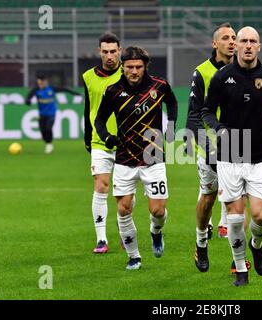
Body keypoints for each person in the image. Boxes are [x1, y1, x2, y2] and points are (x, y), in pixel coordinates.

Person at [201, 26, 262, 286]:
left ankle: (257, 244)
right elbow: (207, 111)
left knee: (260, 217)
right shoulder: (221, 77)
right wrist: (218, 129)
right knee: (235, 216)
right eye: (243, 41)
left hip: (261, 155)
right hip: (229, 155)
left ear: (259, 47)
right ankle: (240, 268)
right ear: (237, 45)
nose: (248, 45)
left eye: (253, 41)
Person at [94, 46, 178, 270]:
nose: (134, 71)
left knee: (157, 211)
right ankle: (134, 257)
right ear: (123, 66)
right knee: (123, 209)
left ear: (145, 67)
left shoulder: (159, 85)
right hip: (123, 159)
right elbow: (99, 120)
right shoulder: (113, 91)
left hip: (153, 158)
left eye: (138, 67)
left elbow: (173, 102)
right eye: (129, 67)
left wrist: (171, 125)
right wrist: (107, 137)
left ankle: (156, 231)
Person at [185, 22, 250, 274]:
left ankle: (238, 259)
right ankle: (201, 243)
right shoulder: (201, 72)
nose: (232, 42)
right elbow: (193, 115)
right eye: (226, 38)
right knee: (209, 198)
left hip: (241, 144)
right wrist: (204, 145)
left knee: (240, 201)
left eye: (234, 37)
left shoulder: (246, 69)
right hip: (211, 148)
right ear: (215, 43)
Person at [82, 32, 126, 254]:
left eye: (113, 51)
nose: (109, 56)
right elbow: (88, 107)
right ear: (99, 52)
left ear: (120, 50)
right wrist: (87, 136)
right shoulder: (88, 77)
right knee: (101, 185)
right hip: (100, 141)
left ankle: (124, 230)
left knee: (123, 193)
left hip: (126, 140)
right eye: (105, 52)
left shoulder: (130, 72)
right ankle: (101, 239)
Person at [25, 74, 81, 154]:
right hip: (42, 114)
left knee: (48, 128)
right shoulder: (36, 90)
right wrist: (28, 101)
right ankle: (47, 143)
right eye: (39, 84)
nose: (40, 85)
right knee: (42, 130)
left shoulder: (51, 89)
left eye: (41, 83)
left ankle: (49, 144)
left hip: (51, 114)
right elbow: (28, 98)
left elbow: (64, 89)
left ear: (45, 82)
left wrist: (76, 94)